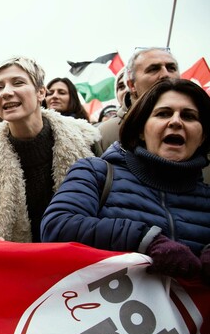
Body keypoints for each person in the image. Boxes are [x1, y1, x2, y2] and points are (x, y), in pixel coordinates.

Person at [41, 78, 210, 282]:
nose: (176, 121)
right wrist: (145, 240)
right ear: (141, 130)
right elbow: (57, 226)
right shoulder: (95, 173)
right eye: (163, 113)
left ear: (202, 137)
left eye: (189, 116)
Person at [0, 56, 101, 243]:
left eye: (18, 82)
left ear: (40, 93)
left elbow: (105, 205)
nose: (6, 92)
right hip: (23, 264)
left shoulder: (85, 139)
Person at [98, 47, 179, 151]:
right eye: (153, 69)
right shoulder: (105, 134)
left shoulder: (201, 124)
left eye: (171, 68)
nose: (165, 75)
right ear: (131, 85)